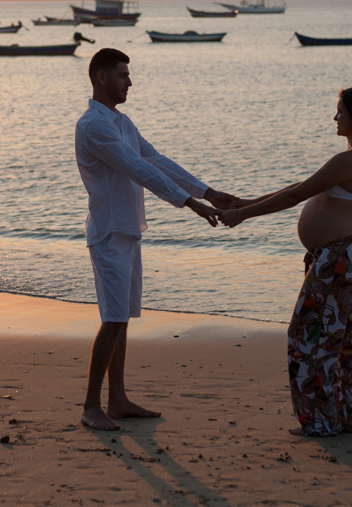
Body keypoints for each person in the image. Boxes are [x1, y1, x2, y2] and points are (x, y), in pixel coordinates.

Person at [75, 47, 236, 431]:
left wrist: (207, 191)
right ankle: (90, 406)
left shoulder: (123, 123)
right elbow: (135, 168)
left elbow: (156, 160)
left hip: (128, 229)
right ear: (101, 78)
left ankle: (117, 400)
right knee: (112, 320)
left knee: (122, 320)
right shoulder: (93, 125)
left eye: (128, 75)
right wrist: (190, 204)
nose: (129, 81)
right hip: (109, 232)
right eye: (121, 75)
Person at [221, 86, 352, 436]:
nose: (334, 117)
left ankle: (322, 420)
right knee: (344, 338)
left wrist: (244, 216)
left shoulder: (351, 159)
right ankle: (348, 415)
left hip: (340, 257)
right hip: (349, 254)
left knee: (308, 337)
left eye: (339, 110)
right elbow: (302, 186)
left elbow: (297, 195)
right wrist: (246, 201)